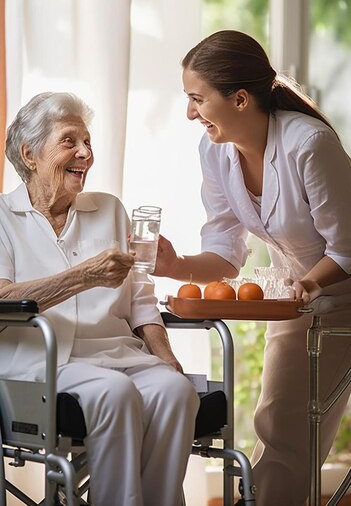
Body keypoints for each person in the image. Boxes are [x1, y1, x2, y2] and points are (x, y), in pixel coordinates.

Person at [153, 30, 351, 506]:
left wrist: (305, 283)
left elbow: (346, 248)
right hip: (296, 301)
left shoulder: (309, 144)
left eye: (197, 99)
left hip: (332, 294)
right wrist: (176, 264)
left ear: (239, 99)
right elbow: (224, 252)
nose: (190, 113)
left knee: (288, 433)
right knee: (280, 425)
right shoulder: (215, 152)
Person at [0, 92, 199, 506]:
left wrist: (166, 356)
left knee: (175, 390)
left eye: (88, 142)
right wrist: (84, 276)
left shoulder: (108, 208)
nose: (86, 154)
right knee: (115, 392)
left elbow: (141, 297)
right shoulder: (3, 218)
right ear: (29, 154)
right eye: (70, 141)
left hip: (119, 354)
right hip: (42, 362)